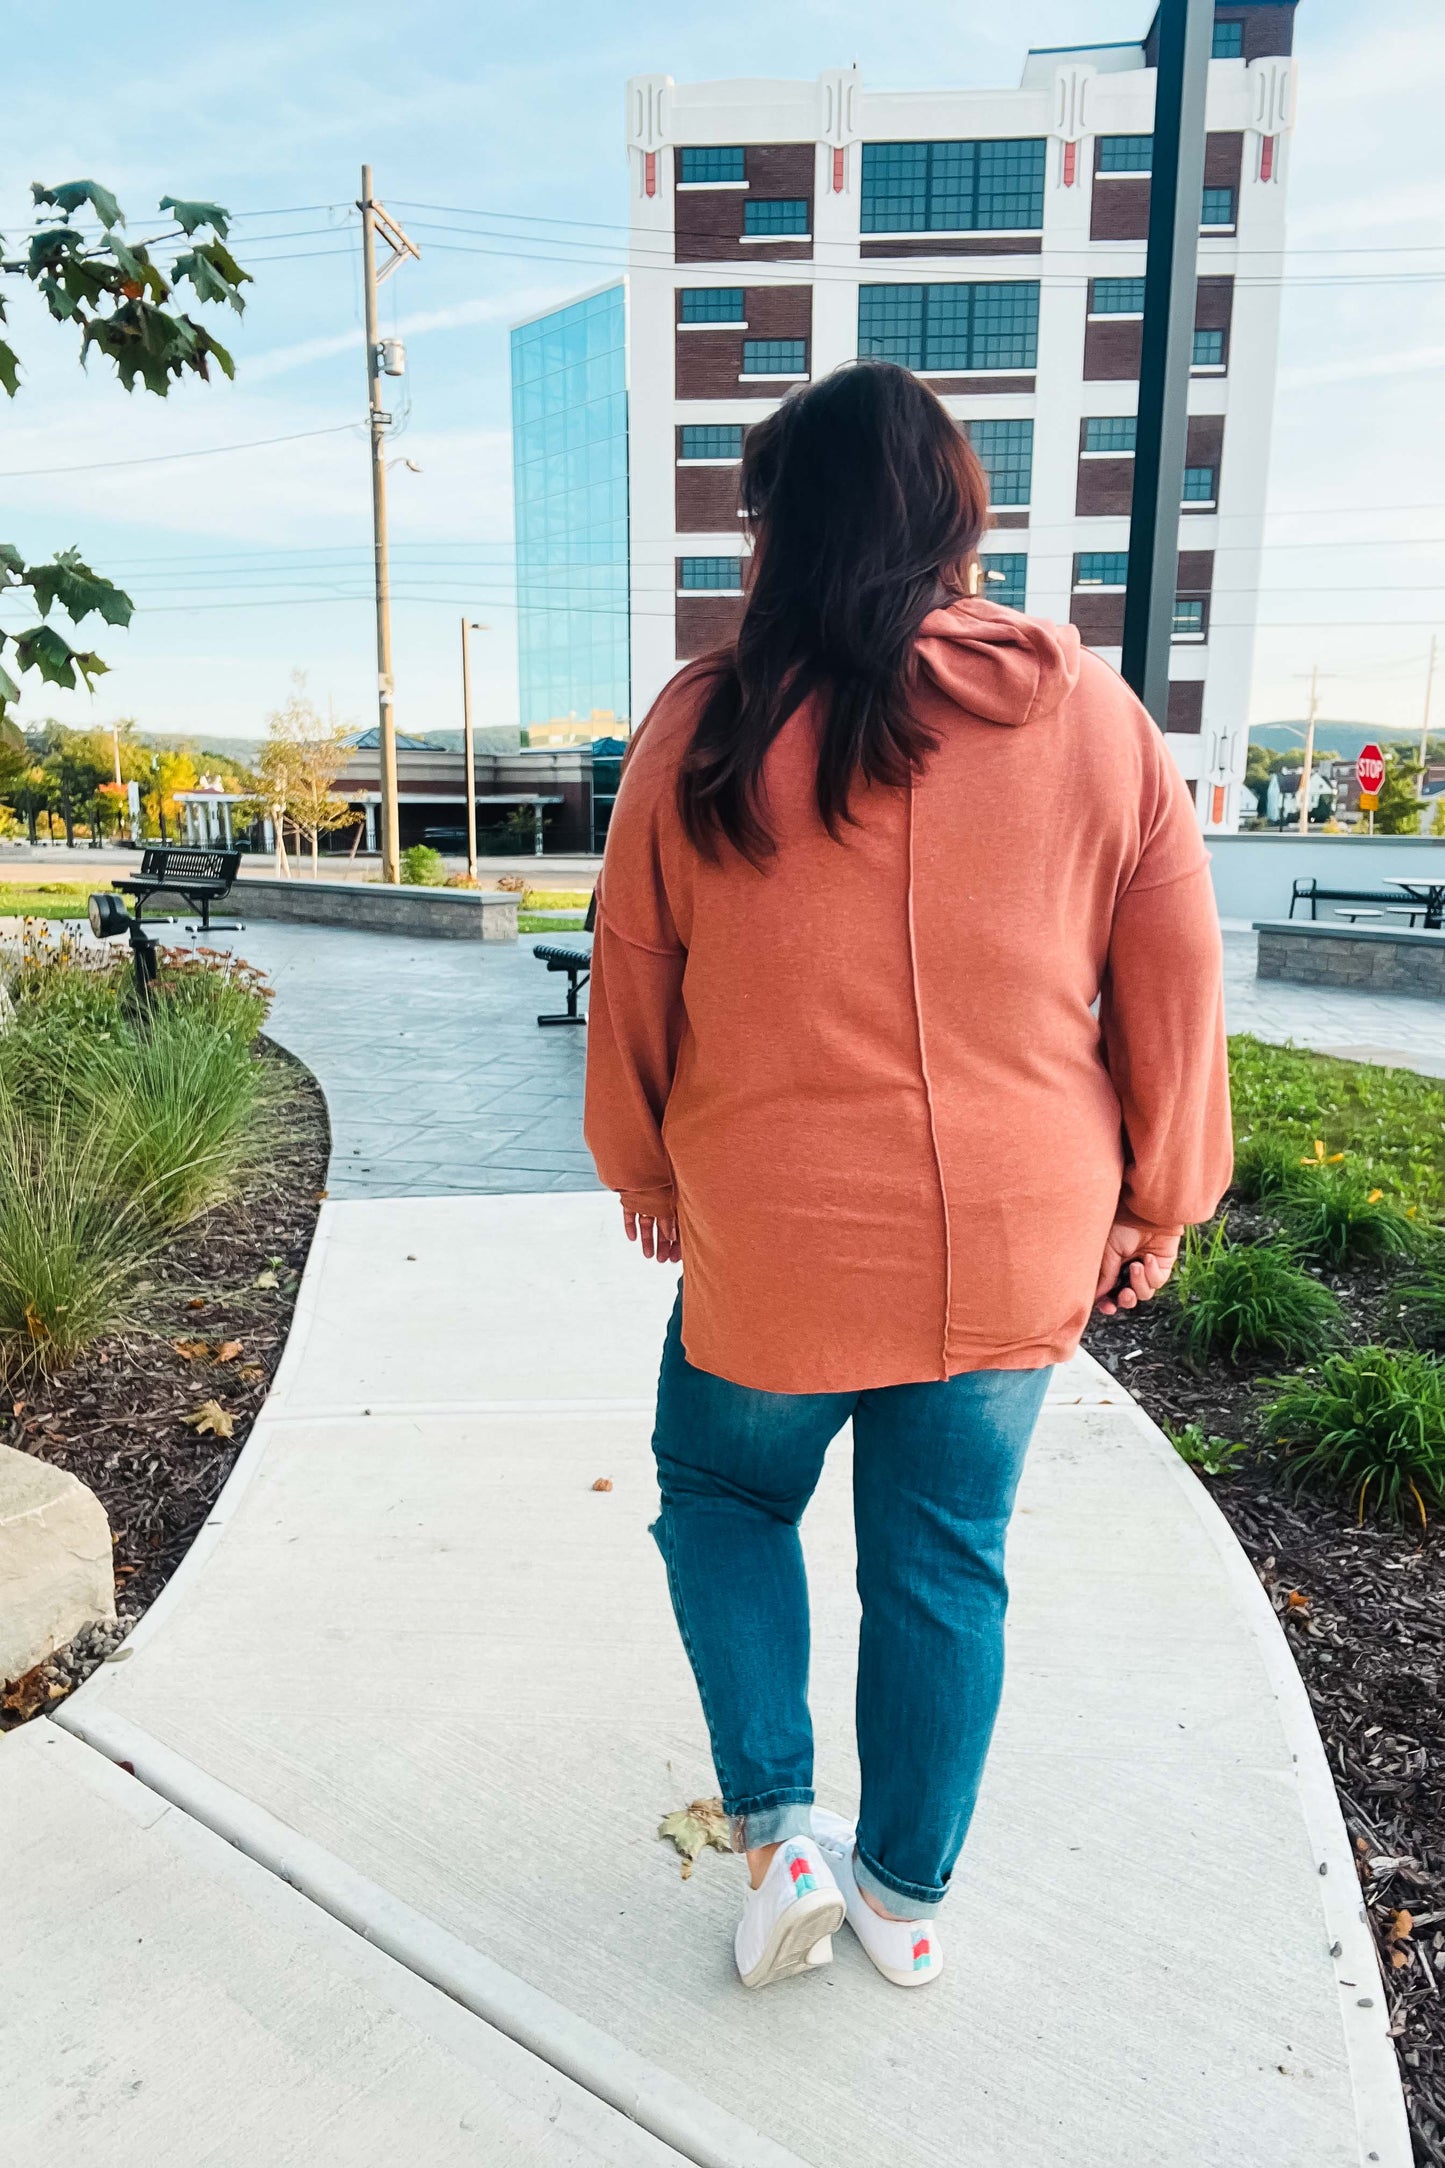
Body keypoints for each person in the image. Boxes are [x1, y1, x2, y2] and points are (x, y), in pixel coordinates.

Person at [583, 360, 1231, 1993]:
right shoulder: (1092, 713)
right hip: (1015, 1231)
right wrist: (1162, 1195)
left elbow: (633, 961)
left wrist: (641, 1163)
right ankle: (903, 1898)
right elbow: (1171, 980)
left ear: (775, 525)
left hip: (774, 1227)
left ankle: (780, 1829)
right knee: (943, 1559)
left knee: (726, 1498)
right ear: (958, 518)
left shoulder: (708, 715)